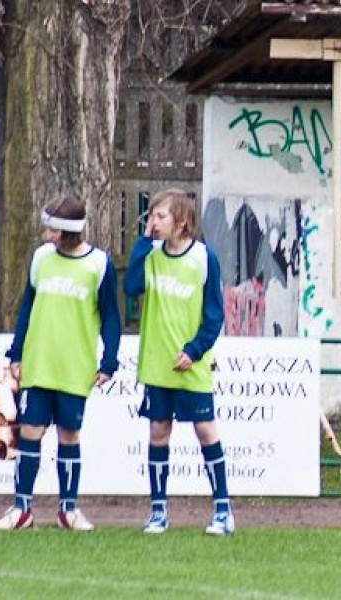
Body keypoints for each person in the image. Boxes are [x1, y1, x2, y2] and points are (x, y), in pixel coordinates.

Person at [0, 197, 122, 530]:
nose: (47, 235)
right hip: (39, 363)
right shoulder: (41, 258)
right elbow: (27, 307)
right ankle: (22, 509)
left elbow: (110, 315)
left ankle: (68, 510)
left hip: (74, 366)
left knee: (69, 434)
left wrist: (109, 361)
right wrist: (16, 353)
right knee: (30, 431)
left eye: (52, 229)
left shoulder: (99, 264)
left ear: (68, 231)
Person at [124, 188, 234, 536]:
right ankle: (158, 511)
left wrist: (194, 350)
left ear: (181, 221)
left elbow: (214, 315)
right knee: (158, 431)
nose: (154, 222)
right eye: (151, 216)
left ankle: (223, 510)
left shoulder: (203, 258)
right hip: (158, 365)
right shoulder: (151, 255)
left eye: (161, 216)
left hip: (191, 364)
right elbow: (130, 287)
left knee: (205, 430)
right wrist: (143, 242)